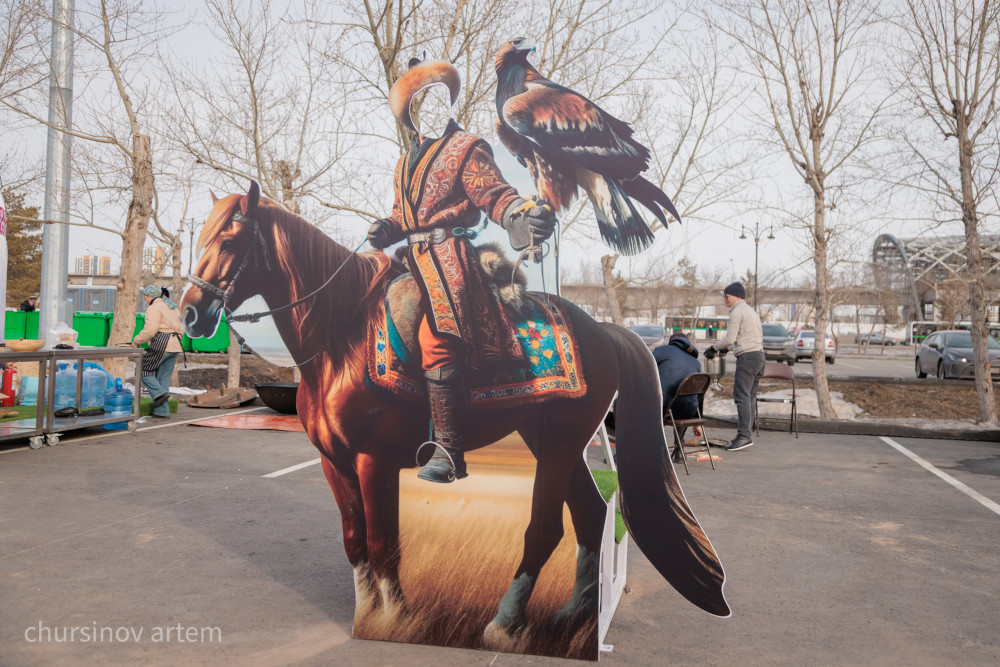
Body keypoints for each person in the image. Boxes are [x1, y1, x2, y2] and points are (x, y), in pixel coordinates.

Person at [366, 57, 557, 483]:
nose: (433, 107)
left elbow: (493, 193)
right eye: (422, 102)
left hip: (449, 259)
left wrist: (517, 216)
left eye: (439, 98)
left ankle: (450, 451)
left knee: (436, 337)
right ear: (412, 114)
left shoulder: (466, 148)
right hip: (408, 261)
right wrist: (387, 227)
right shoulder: (403, 163)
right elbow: (404, 215)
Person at [704, 282, 764, 451]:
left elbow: (730, 338)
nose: (724, 299)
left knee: (741, 397)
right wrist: (725, 349)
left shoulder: (737, 312)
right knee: (750, 397)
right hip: (759, 357)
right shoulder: (751, 312)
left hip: (747, 359)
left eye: (727, 296)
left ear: (736, 296)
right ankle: (747, 434)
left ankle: (743, 437)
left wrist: (713, 348)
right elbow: (743, 339)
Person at [130, 285, 185, 419]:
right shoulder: (172, 307)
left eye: (145, 297)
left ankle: (160, 394)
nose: (145, 300)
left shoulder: (154, 308)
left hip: (162, 342)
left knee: (143, 370)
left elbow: (150, 330)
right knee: (163, 378)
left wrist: (136, 341)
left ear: (150, 296)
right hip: (177, 344)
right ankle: (162, 411)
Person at [653, 332, 705, 442]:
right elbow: (700, 395)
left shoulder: (660, 351)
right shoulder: (696, 362)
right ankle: (679, 450)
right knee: (681, 398)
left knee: (619, 402)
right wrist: (697, 422)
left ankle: (625, 451)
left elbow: (646, 373)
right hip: (687, 411)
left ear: (670, 342)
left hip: (663, 409)